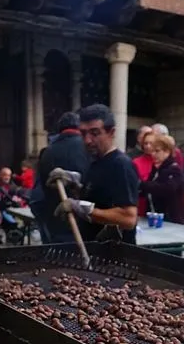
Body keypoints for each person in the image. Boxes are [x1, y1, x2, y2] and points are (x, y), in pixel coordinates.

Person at [53, 104, 139, 243]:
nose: (87, 140)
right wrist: (74, 183)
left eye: (95, 133)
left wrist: (82, 209)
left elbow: (128, 219)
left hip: (115, 255)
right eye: (83, 133)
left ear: (111, 132)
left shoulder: (121, 165)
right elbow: (99, 197)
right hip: (94, 247)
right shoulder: (95, 161)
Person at [34, 112, 91, 243]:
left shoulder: (47, 152)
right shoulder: (88, 148)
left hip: (56, 219)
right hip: (85, 221)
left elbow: (43, 186)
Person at [139, 134, 184, 224]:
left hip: (171, 219)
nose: (153, 154)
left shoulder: (174, 170)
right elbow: (147, 190)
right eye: (152, 151)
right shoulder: (156, 169)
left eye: (157, 151)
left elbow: (166, 188)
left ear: (167, 151)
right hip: (154, 217)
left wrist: (143, 185)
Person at [133, 129, 155, 216]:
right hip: (140, 204)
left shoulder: (160, 162)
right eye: (146, 143)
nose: (148, 146)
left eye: (151, 143)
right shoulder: (136, 162)